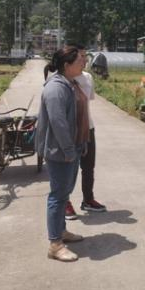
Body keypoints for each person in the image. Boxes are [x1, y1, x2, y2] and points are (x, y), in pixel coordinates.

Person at [36, 46, 89, 262]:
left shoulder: (69, 83)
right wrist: (68, 150)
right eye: (79, 61)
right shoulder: (56, 88)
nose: (84, 63)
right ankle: (55, 244)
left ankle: (61, 231)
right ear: (67, 65)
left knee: (64, 193)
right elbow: (58, 123)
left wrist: (80, 144)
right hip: (60, 151)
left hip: (71, 148)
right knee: (58, 196)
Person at [65, 46, 107, 220]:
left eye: (85, 56)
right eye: (80, 57)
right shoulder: (62, 78)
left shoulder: (88, 78)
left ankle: (88, 199)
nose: (84, 60)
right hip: (70, 130)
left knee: (88, 166)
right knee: (68, 168)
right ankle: (65, 202)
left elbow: (88, 100)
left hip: (88, 127)